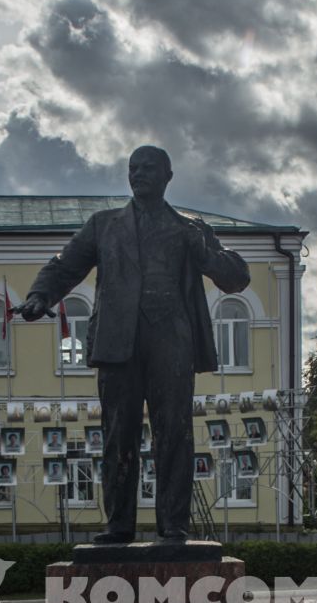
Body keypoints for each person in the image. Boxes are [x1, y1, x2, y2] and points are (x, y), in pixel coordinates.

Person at [17, 144, 251, 544]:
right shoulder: (104, 225)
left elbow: (236, 278)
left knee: (174, 434)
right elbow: (65, 265)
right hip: (117, 342)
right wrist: (41, 296)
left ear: (168, 176)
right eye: (133, 168)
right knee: (117, 435)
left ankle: (173, 524)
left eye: (148, 167)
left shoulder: (189, 228)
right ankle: (119, 524)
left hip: (172, 341)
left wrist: (206, 255)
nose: (139, 173)